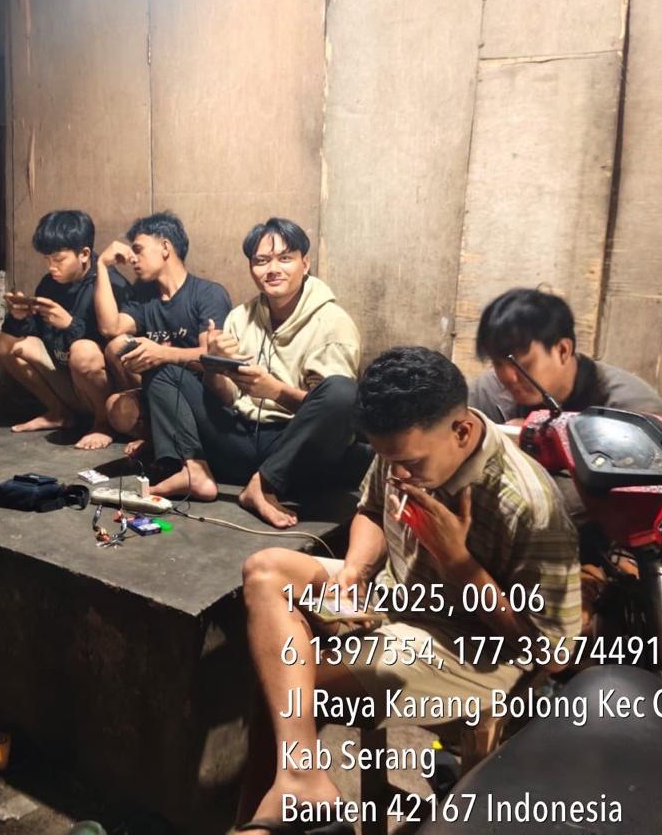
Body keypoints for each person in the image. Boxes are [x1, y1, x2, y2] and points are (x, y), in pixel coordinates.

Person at [235, 347, 580, 828]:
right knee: (266, 571)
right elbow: (372, 509)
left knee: (288, 681)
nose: (398, 474)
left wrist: (459, 564)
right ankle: (299, 779)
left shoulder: (529, 505)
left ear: (462, 432)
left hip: (470, 647)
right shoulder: (405, 450)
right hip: (397, 599)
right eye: (387, 460)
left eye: (409, 463)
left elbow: (553, 654)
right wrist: (355, 572)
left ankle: (275, 805)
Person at [139, 218, 366, 526]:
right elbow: (227, 398)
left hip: (292, 452)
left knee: (342, 392)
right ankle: (194, 469)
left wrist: (275, 391)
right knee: (162, 367)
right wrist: (215, 364)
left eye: (285, 258)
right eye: (261, 261)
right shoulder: (240, 317)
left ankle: (263, 485)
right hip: (240, 438)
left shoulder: (333, 323)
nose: (272, 269)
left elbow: (332, 413)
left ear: (305, 263)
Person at [92, 211, 232, 454]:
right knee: (117, 403)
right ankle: (155, 436)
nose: (133, 259)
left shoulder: (208, 294)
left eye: (139, 250)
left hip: (200, 396)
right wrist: (102, 266)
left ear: (165, 247)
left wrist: (163, 354)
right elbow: (109, 328)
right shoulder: (145, 297)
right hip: (159, 391)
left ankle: (177, 442)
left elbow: (212, 359)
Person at [0, 210, 129, 450]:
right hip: (67, 381)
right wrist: (19, 317)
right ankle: (58, 412)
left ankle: (104, 422)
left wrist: (70, 324)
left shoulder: (111, 285)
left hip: (107, 393)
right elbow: (35, 332)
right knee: (5, 343)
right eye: (47, 259)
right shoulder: (51, 283)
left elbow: (114, 346)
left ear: (84, 254)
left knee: (83, 351)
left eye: (58, 260)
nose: (52, 267)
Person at [469, 288, 662, 424]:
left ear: (563, 351)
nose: (508, 377)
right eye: (497, 363)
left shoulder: (634, 412)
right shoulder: (487, 394)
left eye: (524, 365)